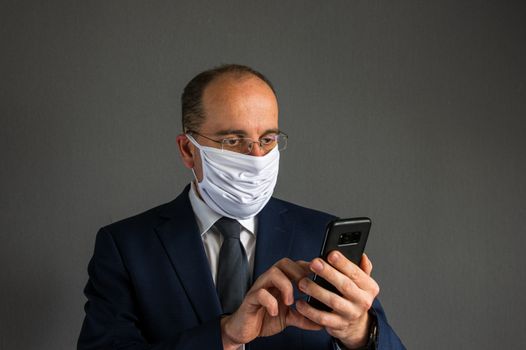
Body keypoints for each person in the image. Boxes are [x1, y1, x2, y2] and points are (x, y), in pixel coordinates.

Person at [78, 64, 405, 349]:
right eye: (232, 141)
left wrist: (359, 332)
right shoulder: (126, 246)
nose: (256, 158)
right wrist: (224, 337)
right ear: (188, 151)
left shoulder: (318, 235)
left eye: (267, 140)